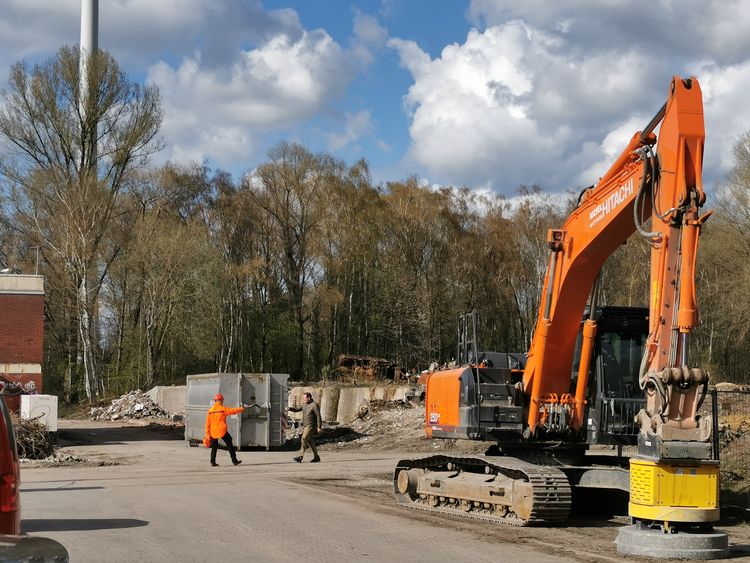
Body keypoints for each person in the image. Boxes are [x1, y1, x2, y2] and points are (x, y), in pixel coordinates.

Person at [205, 393, 245, 467]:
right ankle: (234, 460)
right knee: (229, 444)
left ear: (215, 400)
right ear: (220, 400)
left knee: (214, 446)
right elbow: (232, 411)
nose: (222, 402)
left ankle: (212, 461)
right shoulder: (222, 409)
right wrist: (241, 409)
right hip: (221, 430)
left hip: (213, 431)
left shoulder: (210, 411)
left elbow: (207, 424)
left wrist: (207, 434)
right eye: (222, 400)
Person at [288, 392, 322, 463]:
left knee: (304, 438)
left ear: (309, 398)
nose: (303, 399)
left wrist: (319, 426)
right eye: (303, 398)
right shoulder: (304, 404)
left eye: (304, 398)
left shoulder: (314, 405)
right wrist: (289, 408)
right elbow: (297, 409)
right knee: (310, 441)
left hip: (311, 425)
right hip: (306, 425)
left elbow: (318, 416)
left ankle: (300, 457)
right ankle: (316, 457)